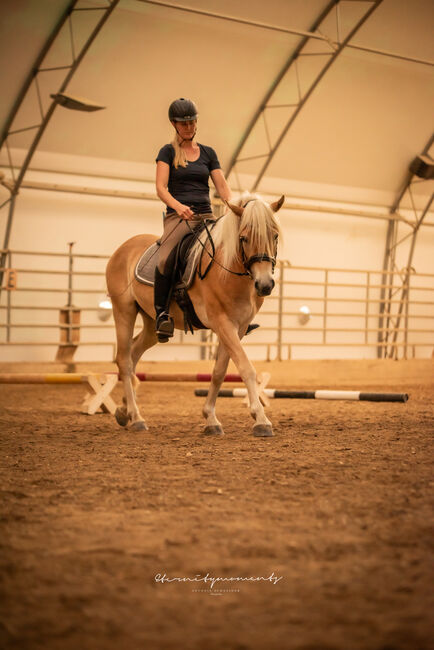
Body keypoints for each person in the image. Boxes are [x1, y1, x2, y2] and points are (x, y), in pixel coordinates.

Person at [154, 98, 232, 342]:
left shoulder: (209, 153)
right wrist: (179, 207)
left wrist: (235, 209)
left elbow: (223, 187)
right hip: (179, 217)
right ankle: (162, 314)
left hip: (207, 216)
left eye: (191, 122)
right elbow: (161, 188)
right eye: (183, 123)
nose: (188, 127)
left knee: (231, 251)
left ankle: (237, 311)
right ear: (174, 124)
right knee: (166, 257)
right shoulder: (167, 152)